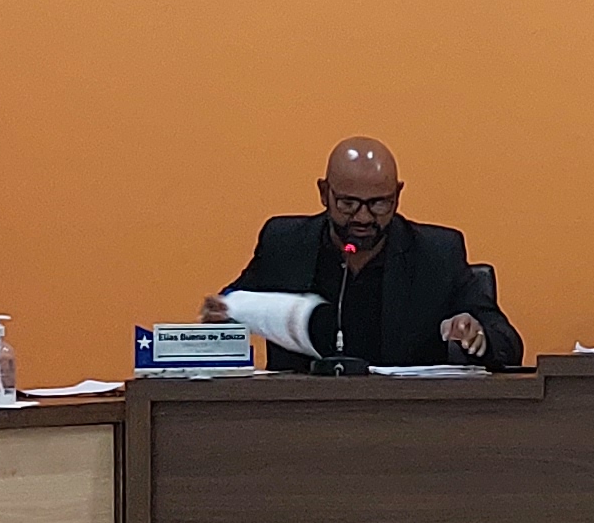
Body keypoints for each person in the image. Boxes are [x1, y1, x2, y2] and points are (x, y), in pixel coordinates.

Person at [213, 137, 521, 370]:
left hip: (405, 419)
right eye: (348, 203)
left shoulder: (437, 253)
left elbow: (507, 343)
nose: (363, 217)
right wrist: (219, 315)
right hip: (299, 417)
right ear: (324, 193)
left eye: (379, 204)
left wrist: (478, 336)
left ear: (398, 195)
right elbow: (231, 310)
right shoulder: (286, 244)